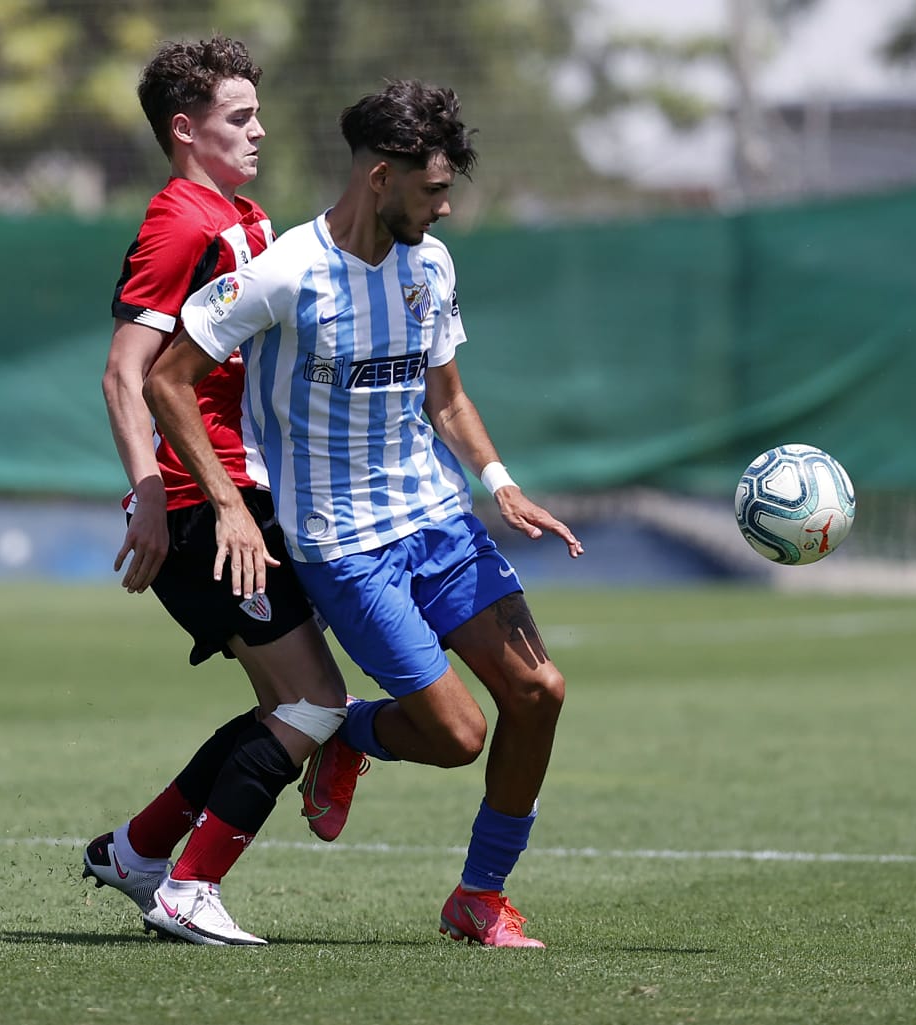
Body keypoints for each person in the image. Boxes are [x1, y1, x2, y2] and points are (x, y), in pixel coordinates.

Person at [144, 79, 582, 949]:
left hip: (438, 522)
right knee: (457, 736)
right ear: (379, 178)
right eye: (432, 189)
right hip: (343, 548)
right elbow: (165, 379)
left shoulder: (430, 266)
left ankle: (478, 897)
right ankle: (349, 732)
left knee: (539, 691)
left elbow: (446, 398)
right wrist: (229, 505)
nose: (446, 206)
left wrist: (498, 480)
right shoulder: (283, 274)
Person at [80, 35, 349, 947]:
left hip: (250, 491)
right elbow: (126, 374)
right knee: (313, 703)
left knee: (297, 704)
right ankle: (188, 886)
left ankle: (140, 849)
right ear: (186, 131)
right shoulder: (179, 222)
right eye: (240, 118)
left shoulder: (246, 217)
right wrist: (150, 494)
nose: (259, 131)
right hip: (205, 504)